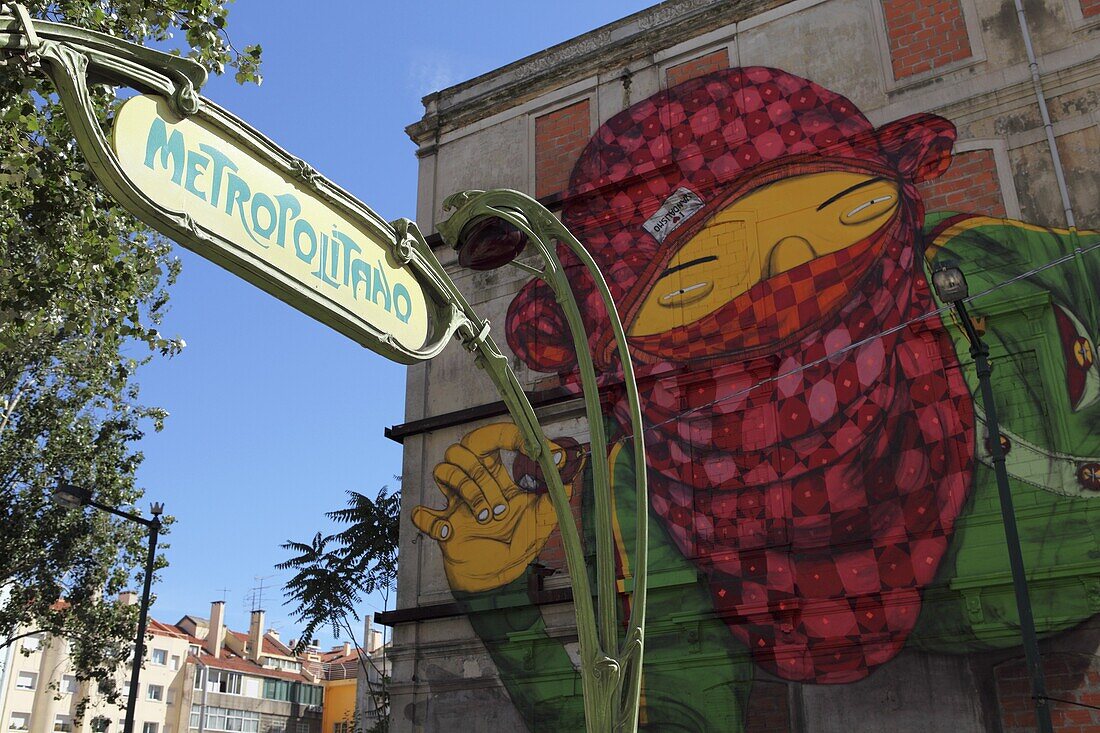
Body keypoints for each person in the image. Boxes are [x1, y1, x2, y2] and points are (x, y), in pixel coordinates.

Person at [411, 67, 1100, 730]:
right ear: (621, 341)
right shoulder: (648, 499)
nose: (794, 267)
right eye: (698, 278)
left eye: (847, 210)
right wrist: (496, 594)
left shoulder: (973, 270)